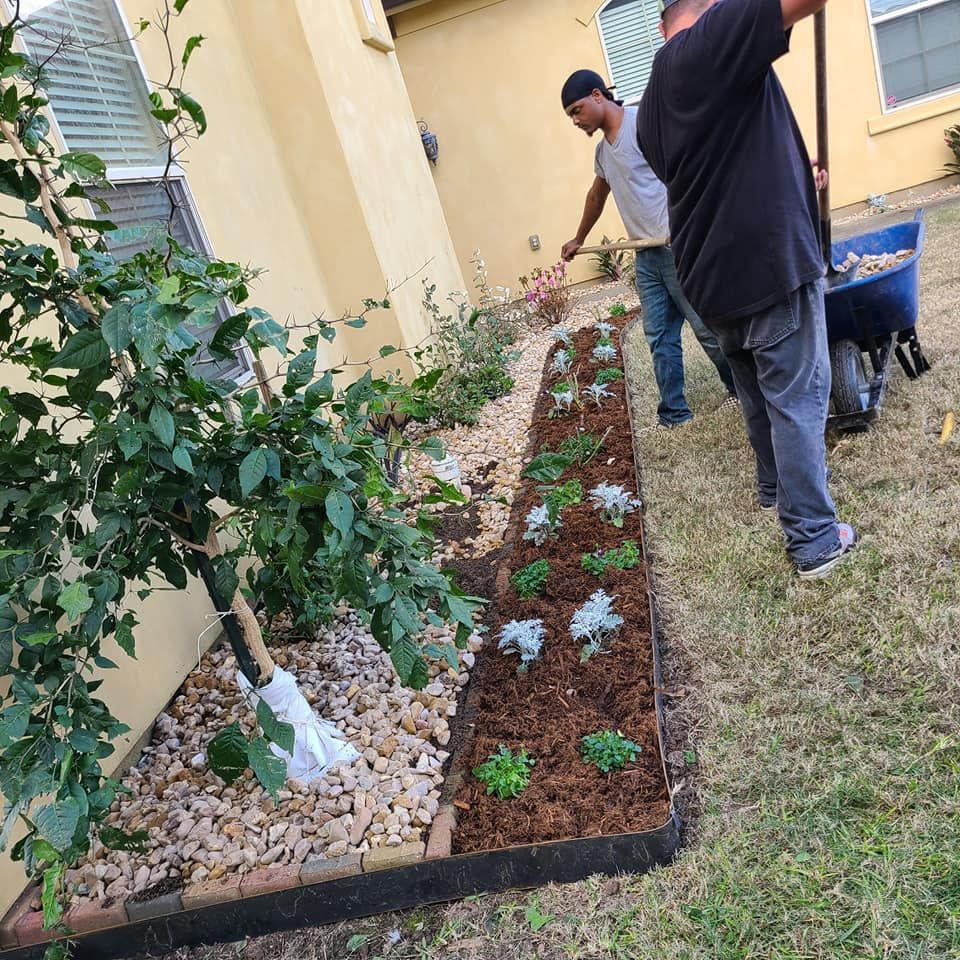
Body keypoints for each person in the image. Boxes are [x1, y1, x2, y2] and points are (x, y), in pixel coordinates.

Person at [636, 0, 856, 579]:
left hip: (710, 271)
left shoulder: (653, 103)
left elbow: (716, 165)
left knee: (760, 393)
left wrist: (790, 174)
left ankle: (771, 489)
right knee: (798, 397)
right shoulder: (707, 43)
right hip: (766, 266)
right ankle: (813, 538)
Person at [559, 69, 738, 429]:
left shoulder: (645, 123)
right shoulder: (603, 152)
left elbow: (690, 166)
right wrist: (579, 237)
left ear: (598, 95)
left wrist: (688, 221)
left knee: (706, 328)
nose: (576, 120)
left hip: (679, 247)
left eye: (577, 110)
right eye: (570, 116)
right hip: (648, 255)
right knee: (658, 335)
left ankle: (742, 389)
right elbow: (597, 195)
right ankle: (674, 413)